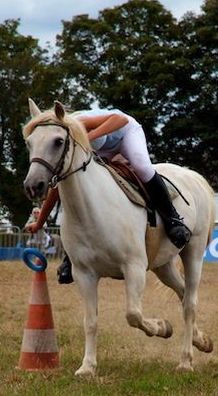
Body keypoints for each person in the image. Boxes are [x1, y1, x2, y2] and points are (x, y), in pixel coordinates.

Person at [27, 107, 192, 284]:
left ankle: (173, 220)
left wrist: (85, 138)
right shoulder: (65, 143)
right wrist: (40, 222)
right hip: (101, 150)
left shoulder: (80, 122)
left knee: (142, 167)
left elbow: (120, 120)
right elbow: (58, 184)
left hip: (126, 135)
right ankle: (71, 258)